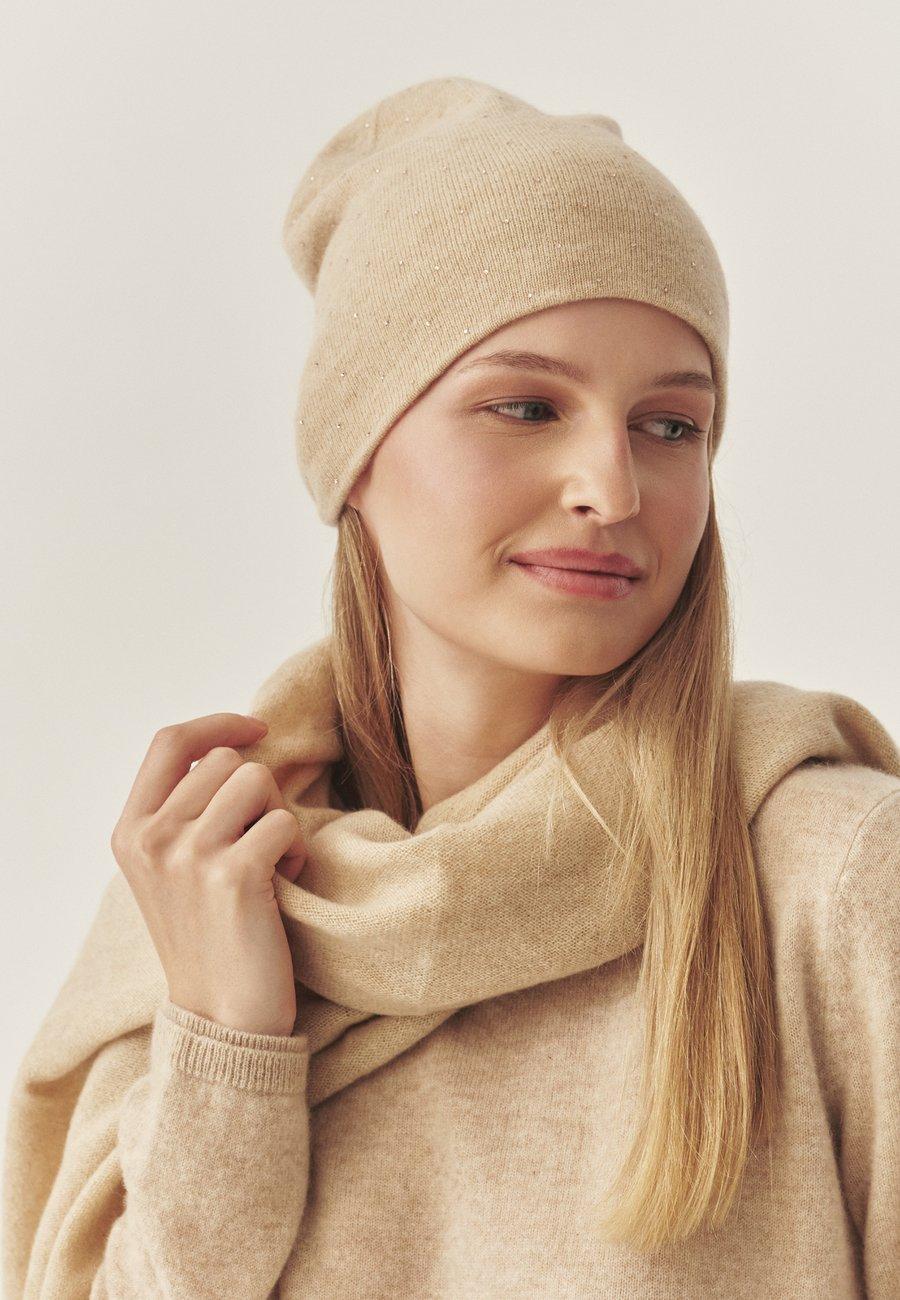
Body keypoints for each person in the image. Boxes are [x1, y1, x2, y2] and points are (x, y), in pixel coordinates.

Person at [4, 76, 899, 1300]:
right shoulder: (209, 883)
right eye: (526, 406)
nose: (612, 488)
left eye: (670, 426)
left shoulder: (832, 878)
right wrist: (226, 1041)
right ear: (357, 456)